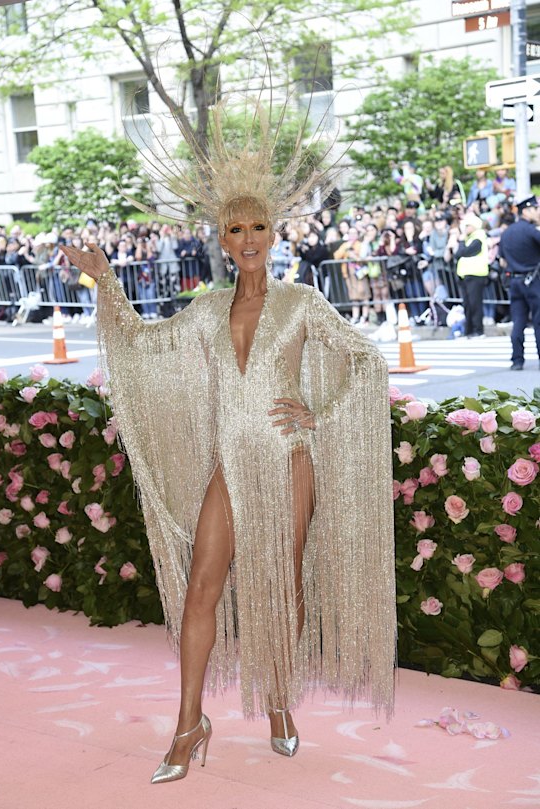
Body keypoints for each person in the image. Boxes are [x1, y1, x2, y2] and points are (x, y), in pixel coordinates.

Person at [59, 93, 396, 786]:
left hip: (287, 461)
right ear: (221, 236)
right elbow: (144, 345)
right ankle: (190, 722)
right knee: (202, 587)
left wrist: (319, 411)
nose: (248, 238)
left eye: (259, 226)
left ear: (274, 234)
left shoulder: (303, 302)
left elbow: (366, 359)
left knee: (284, 586)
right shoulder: (209, 310)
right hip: (229, 465)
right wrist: (106, 282)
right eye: (236, 227)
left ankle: (277, 698)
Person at [498, 195, 540, 370]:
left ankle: (517, 360)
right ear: (527, 210)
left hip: (514, 281)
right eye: (536, 209)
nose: (538, 213)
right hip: (533, 280)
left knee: (518, 321)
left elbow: (501, 261)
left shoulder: (507, 232)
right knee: (538, 321)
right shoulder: (531, 231)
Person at [445, 212, 489, 339]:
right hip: (465, 275)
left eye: (468, 226)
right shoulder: (470, 238)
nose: (465, 228)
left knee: (475, 304)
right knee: (468, 304)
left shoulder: (479, 237)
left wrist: (461, 240)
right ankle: (468, 330)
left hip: (476, 274)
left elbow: (463, 252)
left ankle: (478, 330)